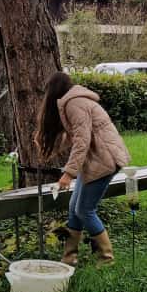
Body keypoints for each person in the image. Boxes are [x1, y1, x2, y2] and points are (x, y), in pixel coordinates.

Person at [35, 72, 131, 266]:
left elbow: (82, 141)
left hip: (104, 159)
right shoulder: (72, 102)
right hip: (97, 159)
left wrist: (69, 173)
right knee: (74, 208)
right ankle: (69, 258)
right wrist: (49, 146)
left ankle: (106, 259)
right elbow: (76, 136)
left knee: (84, 210)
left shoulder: (74, 104)